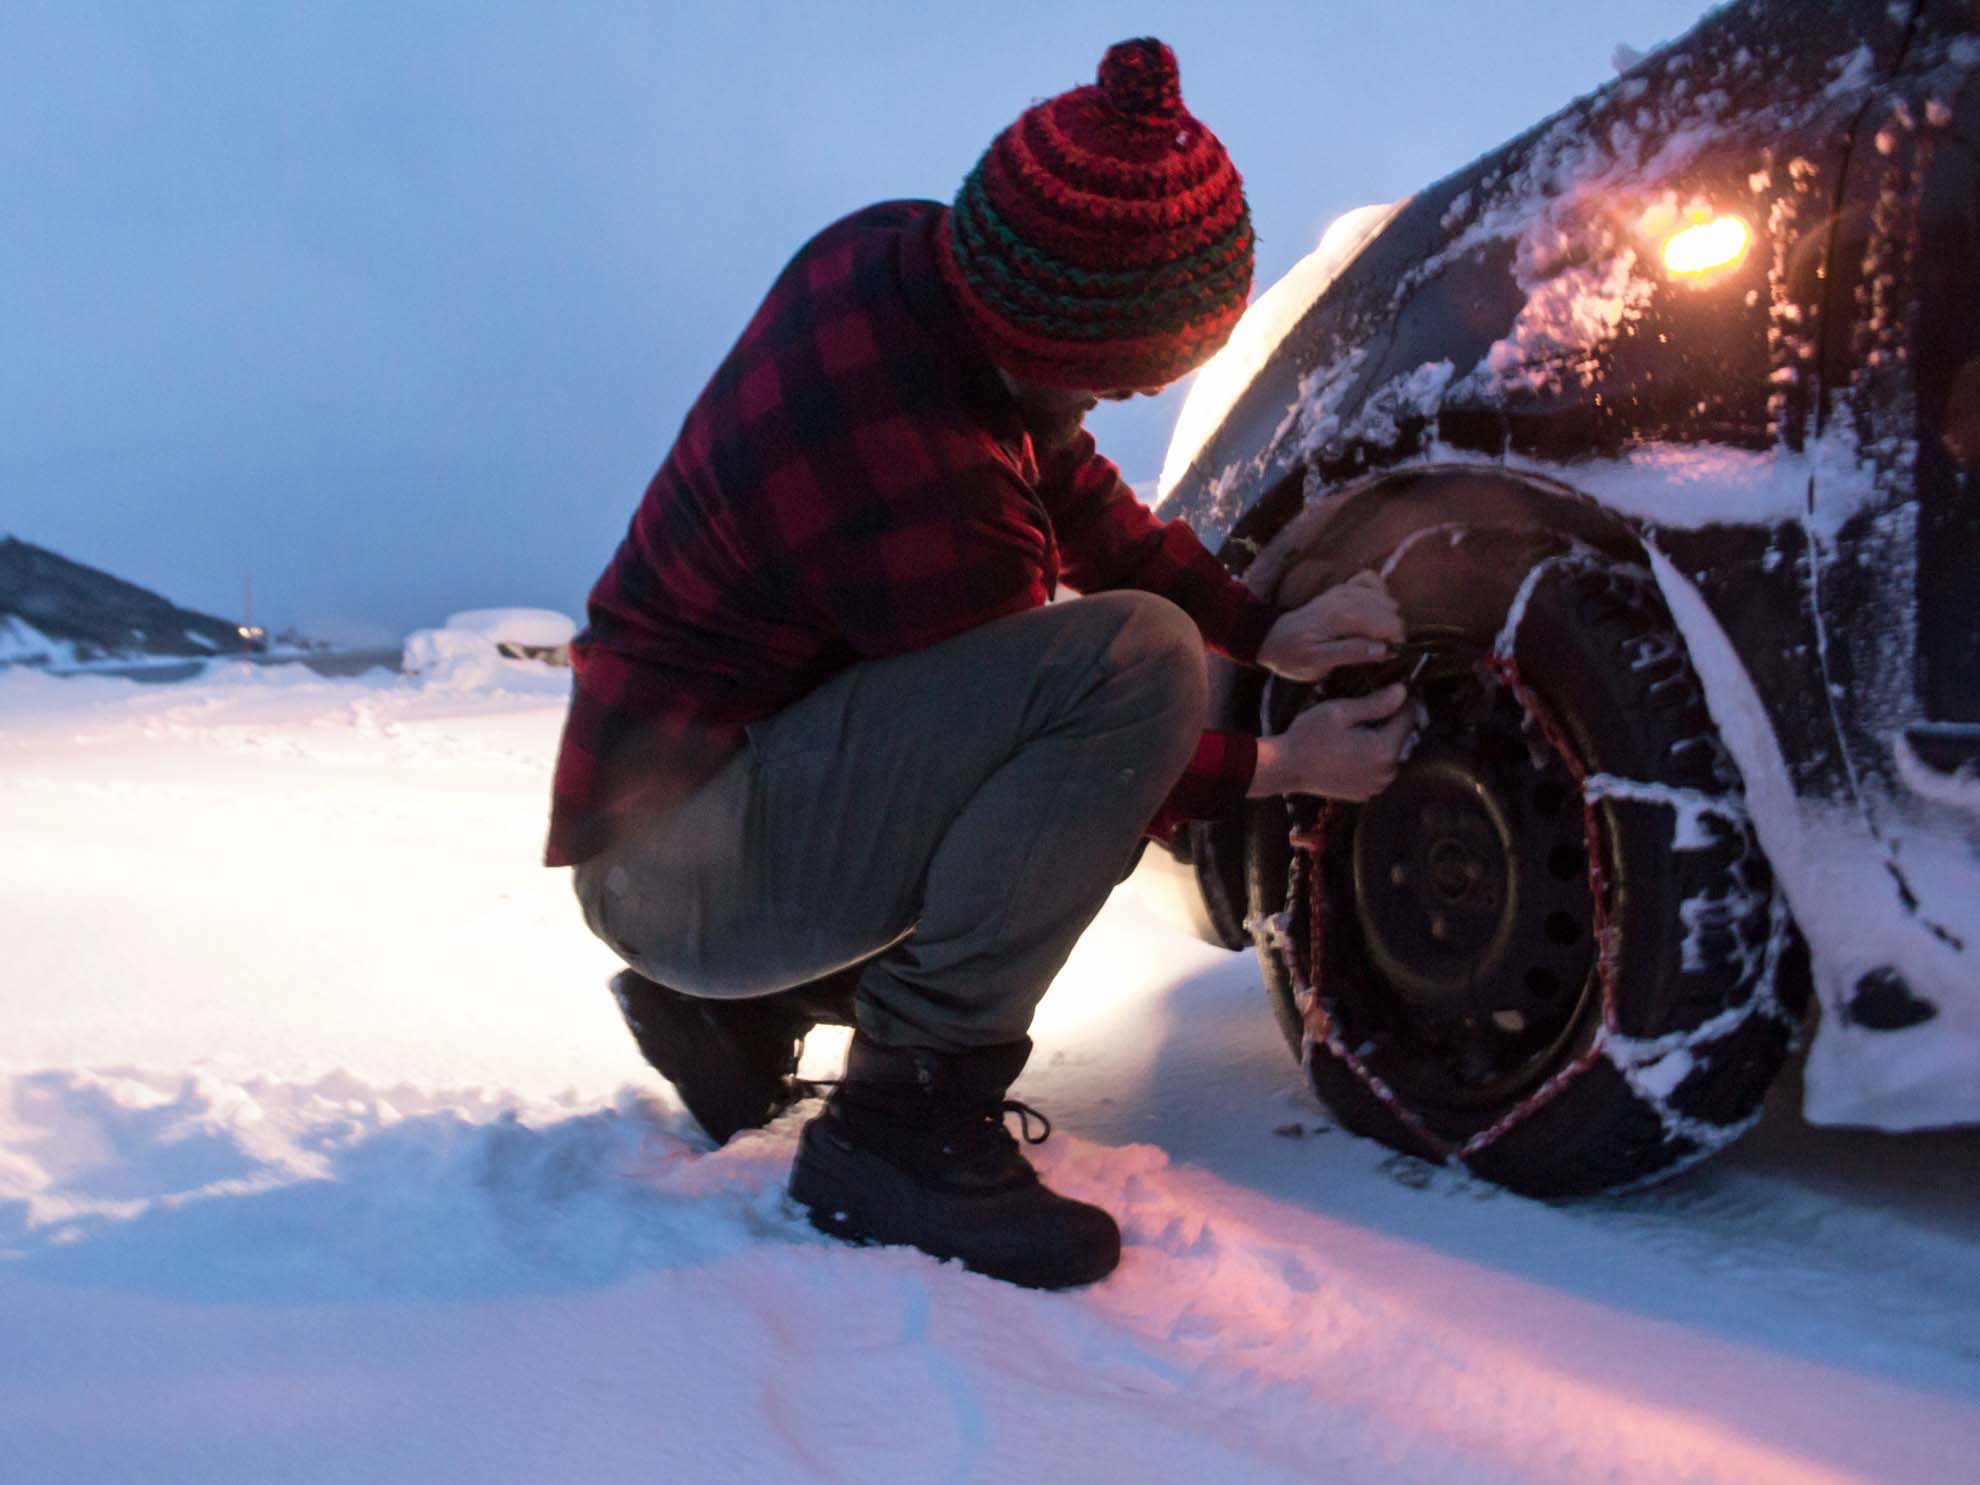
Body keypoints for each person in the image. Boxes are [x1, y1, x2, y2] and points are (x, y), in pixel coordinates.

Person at [547, 38, 1414, 1290]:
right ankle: (900, 1118)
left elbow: (1061, 471)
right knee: (1138, 670)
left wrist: (1256, 623)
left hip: (688, 813)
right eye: (1133, 374)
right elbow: (1066, 753)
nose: (1130, 400)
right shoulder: (925, 484)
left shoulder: (904, 258)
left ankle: (740, 1013)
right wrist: (1286, 764)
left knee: (1139, 653)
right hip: (682, 873)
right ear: (1071, 342)